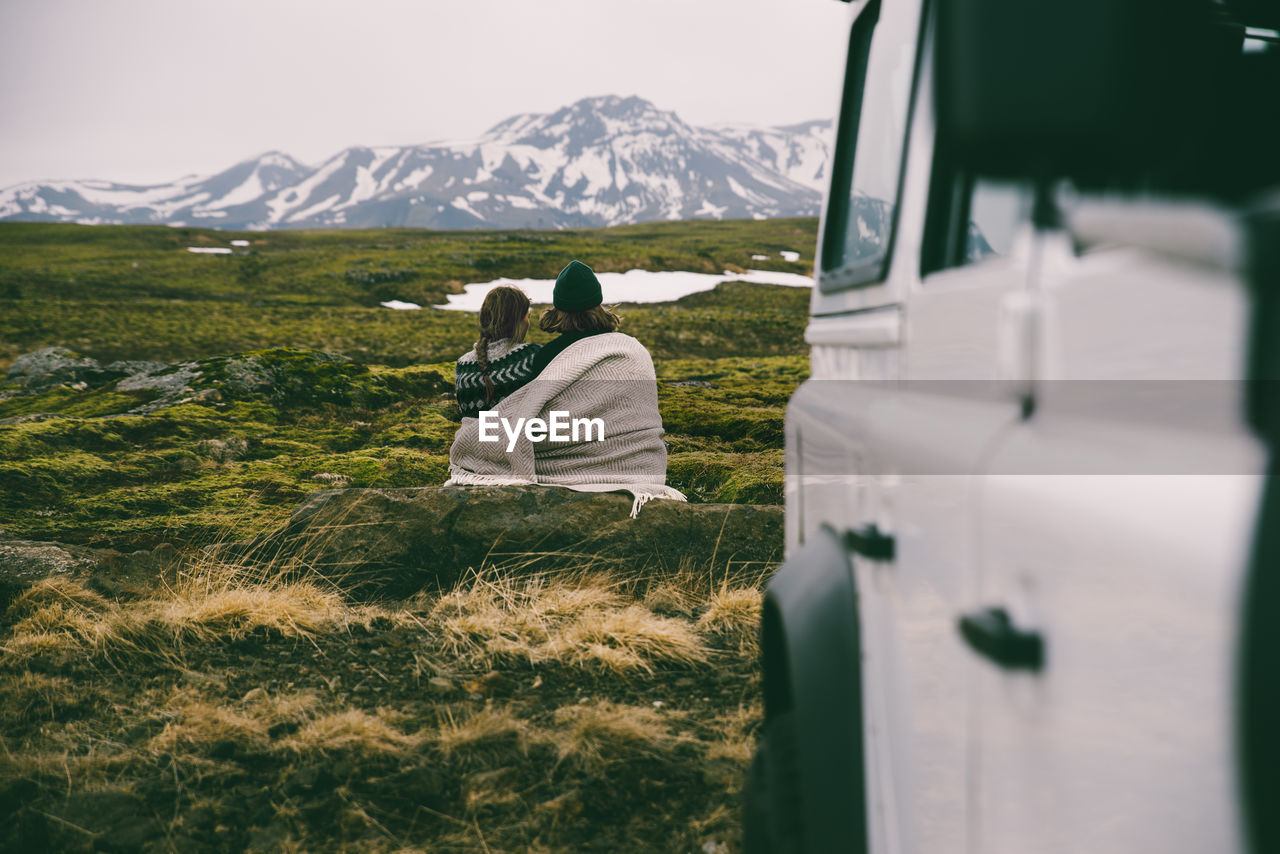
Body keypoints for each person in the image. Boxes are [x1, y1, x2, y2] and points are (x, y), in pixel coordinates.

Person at [447, 260, 685, 516]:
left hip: (559, 464)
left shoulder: (544, 357)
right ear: (598, 303)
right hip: (640, 463)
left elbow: (531, 414)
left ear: (559, 309)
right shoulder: (633, 351)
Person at [453, 285, 540, 418]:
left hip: (475, 438)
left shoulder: (463, 365)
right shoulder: (531, 356)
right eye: (527, 316)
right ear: (517, 321)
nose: (528, 321)